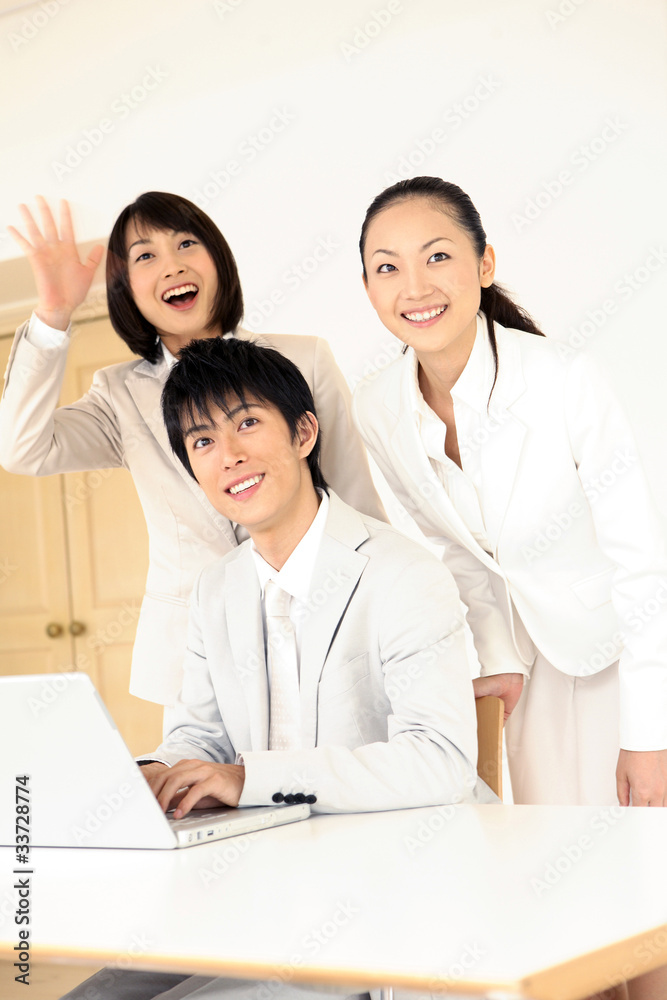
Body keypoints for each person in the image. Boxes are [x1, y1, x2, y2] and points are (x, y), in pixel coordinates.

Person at [62, 334, 487, 1000]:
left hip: (387, 889)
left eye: (247, 423)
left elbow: (439, 761)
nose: (228, 455)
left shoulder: (403, 573)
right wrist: (154, 775)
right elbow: (197, 736)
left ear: (304, 433)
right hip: (255, 881)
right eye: (202, 441)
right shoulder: (214, 589)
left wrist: (247, 779)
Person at [352, 176, 667, 809]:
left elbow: (643, 562)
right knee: (553, 841)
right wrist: (497, 655)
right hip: (528, 666)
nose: (414, 287)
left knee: (643, 848)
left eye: (437, 256)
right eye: (388, 267)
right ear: (368, 288)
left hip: (624, 653)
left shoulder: (565, 380)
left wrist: (650, 735)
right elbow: (454, 547)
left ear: (485, 264)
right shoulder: (378, 407)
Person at [0, 193, 384, 707]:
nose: (172, 265)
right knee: (196, 763)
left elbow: (356, 504)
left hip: (317, 632)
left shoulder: (303, 358)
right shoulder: (118, 394)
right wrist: (53, 315)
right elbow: (22, 448)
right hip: (191, 655)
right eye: (145, 255)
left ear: (217, 259)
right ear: (126, 288)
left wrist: (386, 630)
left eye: (186, 243)